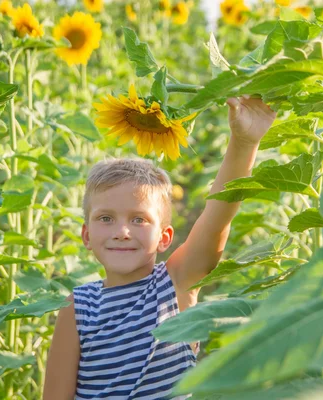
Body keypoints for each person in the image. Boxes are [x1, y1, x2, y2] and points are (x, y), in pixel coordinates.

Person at [43, 96, 276, 399]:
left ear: (165, 237)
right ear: (86, 235)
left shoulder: (175, 284)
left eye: (139, 219)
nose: (122, 232)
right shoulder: (78, 308)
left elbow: (217, 218)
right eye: (106, 218)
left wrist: (244, 142)